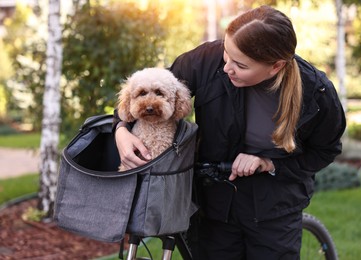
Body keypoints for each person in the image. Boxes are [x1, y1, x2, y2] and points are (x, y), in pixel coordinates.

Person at [114, 5, 346, 259]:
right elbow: (147, 89)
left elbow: (325, 150)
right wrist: (121, 130)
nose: (226, 68)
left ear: (276, 66)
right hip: (213, 205)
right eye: (226, 54)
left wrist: (268, 162)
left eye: (240, 65)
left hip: (274, 209)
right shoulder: (205, 60)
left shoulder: (316, 92)